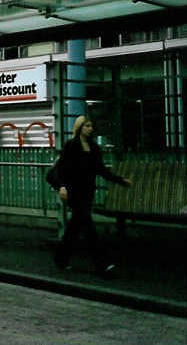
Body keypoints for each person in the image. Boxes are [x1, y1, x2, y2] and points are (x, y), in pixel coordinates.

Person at [50, 115, 132, 274]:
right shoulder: (71, 146)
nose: (90, 129)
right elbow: (61, 170)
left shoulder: (94, 148)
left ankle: (61, 259)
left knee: (74, 228)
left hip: (87, 193)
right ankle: (102, 264)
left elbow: (101, 169)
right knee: (89, 228)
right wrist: (62, 187)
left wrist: (120, 180)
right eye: (87, 126)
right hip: (74, 192)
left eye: (91, 126)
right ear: (79, 128)